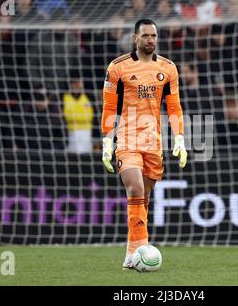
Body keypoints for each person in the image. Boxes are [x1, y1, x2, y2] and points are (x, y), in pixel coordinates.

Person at [100, 19, 187, 270]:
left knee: (144, 198)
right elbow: (109, 106)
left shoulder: (168, 68)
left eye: (154, 35)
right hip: (127, 138)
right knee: (135, 189)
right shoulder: (117, 67)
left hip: (154, 141)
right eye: (146, 35)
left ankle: (131, 254)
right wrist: (107, 139)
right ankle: (142, 247)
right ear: (135, 38)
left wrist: (179, 137)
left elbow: (174, 107)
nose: (151, 40)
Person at [63, 78, 94, 154]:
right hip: (70, 132)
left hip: (87, 132)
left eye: (78, 83)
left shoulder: (89, 96)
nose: (76, 85)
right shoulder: (64, 97)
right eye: (73, 83)